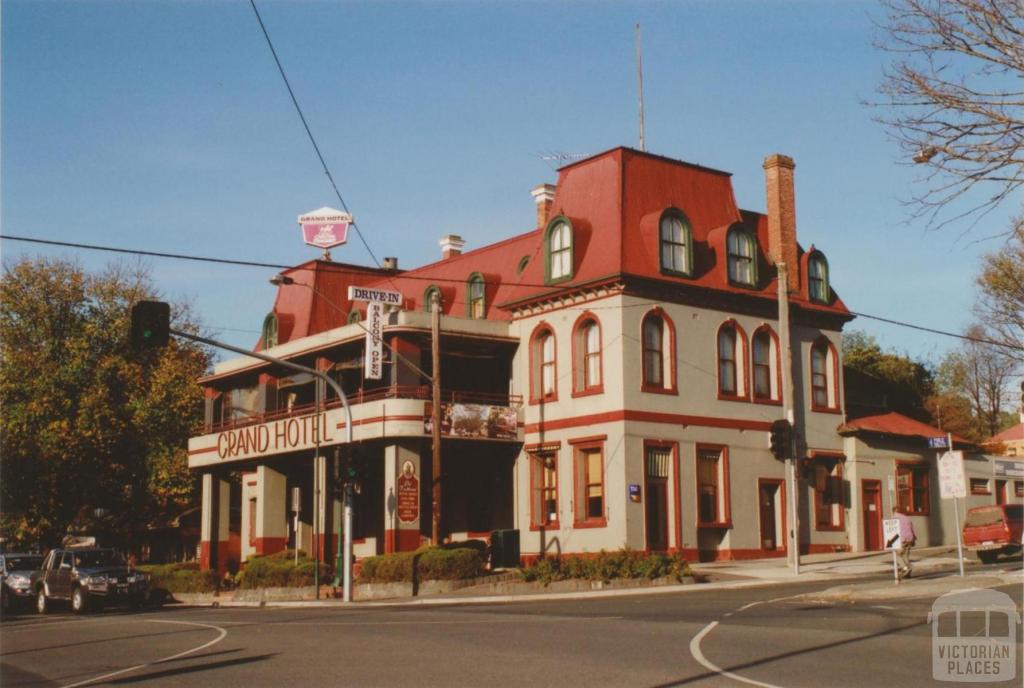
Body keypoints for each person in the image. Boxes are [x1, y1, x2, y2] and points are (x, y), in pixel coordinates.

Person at [888, 507, 917, 580]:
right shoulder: (907, 518)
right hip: (910, 539)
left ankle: (905, 568)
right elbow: (912, 529)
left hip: (901, 539)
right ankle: (908, 573)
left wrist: (889, 541)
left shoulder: (894, 518)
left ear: (894, 511)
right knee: (905, 556)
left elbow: (891, 530)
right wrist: (914, 539)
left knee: (897, 555)